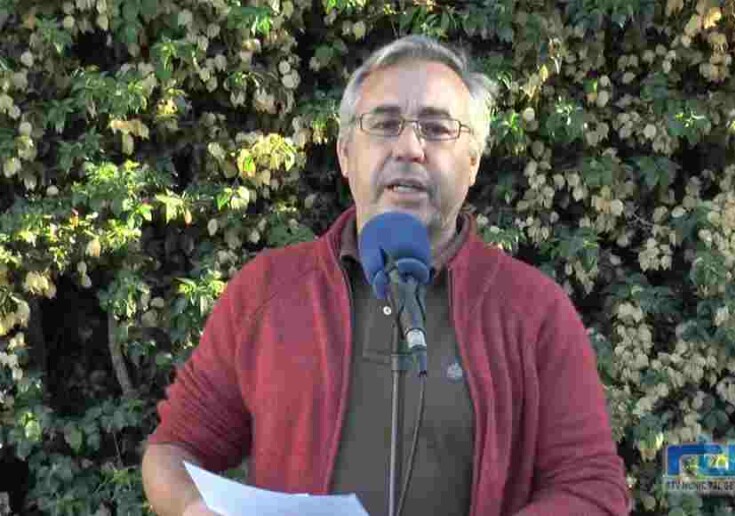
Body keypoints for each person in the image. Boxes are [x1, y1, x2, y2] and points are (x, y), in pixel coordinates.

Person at [141, 35, 630, 516]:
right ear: (345, 153)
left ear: (473, 163)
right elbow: (175, 448)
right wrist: (191, 508)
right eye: (385, 123)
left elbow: (592, 487)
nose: (410, 147)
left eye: (437, 128)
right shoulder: (265, 293)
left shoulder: (535, 311)